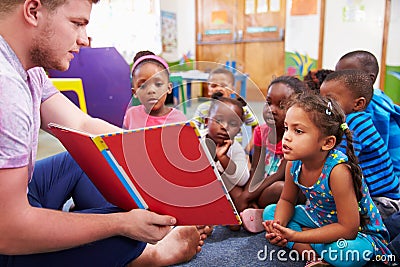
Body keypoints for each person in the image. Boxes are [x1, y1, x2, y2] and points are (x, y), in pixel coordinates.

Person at [0, 0, 211, 266]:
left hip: (21, 195)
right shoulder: (5, 86)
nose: (85, 39)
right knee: (130, 233)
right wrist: (120, 223)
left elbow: (82, 125)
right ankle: (150, 255)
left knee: (88, 155)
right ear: (33, 11)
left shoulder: (30, 70)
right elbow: (7, 231)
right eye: (77, 23)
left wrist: (169, 158)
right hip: (7, 233)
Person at [242, 93, 391, 267]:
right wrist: (279, 226)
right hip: (317, 218)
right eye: (286, 128)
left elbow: (348, 229)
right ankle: (313, 255)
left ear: (327, 143)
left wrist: (295, 235)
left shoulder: (338, 171)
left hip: (359, 233)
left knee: (346, 254)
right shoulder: (293, 163)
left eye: (298, 131)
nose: (287, 137)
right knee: (270, 212)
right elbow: (286, 200)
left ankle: (309, 242)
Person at [320, 69, 400, 219]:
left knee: (332, 219)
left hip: (383, 202)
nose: (324, 106)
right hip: (372, 197)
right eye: (322, 99)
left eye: (330, 100)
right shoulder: (348, 121)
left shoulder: (356, 123)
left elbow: (337, 163)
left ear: (358, 104)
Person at [234, 76, 307, 214]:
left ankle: (254, 207)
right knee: (228, 176)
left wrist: (247, 196)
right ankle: (255, 208)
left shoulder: (296, 137)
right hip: (262, 185)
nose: (272, 110)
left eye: (281, 105)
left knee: (279, 188)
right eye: (268, 102)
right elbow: (256, 169)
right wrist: (247, 193)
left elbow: (280, 174)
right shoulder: (261, 131)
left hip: (287, 189)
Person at [335, 50, 400, 179]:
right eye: (337, 75)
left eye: (347, 76)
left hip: (389, 182)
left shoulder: (375, 112)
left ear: (370, 79)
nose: (338, 81)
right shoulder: (377, 96)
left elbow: (378, 157)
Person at [192, 67, 258, 154]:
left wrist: (248, 148)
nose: (218, 88)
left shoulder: (241, 108)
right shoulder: (203, 108)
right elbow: (193, 128)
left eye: (223, 85)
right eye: (213, 85)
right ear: (208, 90)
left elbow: (256, 126)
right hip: (209, 153)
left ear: (233, 90)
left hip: (233, 154)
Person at [203, 92, 250, 209]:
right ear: (206, 121)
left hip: (222, 191)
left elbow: (242, 180)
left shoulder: (235, 148)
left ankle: (235, 211)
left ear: (239, 130)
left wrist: (223, 158)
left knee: (236, 189)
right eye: (218, 120)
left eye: (233, 123)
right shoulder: (196, 140)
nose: (224, 126)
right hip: (195, 189)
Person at [123, 51, 187, 129]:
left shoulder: (178, 119)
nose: (151, 90)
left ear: (169, 88)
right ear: (135, 92)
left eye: (158, 84)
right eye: (142, 86)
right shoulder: (131, 115)